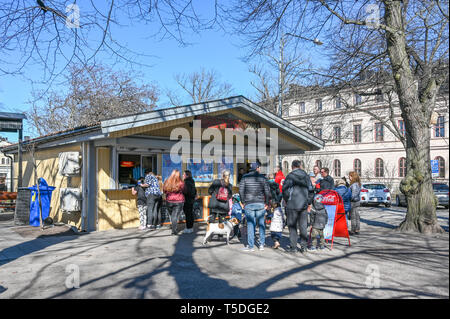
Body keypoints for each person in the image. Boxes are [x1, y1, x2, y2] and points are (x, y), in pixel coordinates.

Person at [282, 160, 314, 254]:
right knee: (303, 226)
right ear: (300, 166)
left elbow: (285, 190)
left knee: (292, 227)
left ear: (292, 167)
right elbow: (311, 190)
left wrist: (287, 199)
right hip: (303, 204)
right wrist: (308, 201)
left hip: (292, 204)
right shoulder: (306, 176)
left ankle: (293, 247)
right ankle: (303, 247)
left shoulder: (290, 176)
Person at [239, 162, 271, 252]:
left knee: (250, 224)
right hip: (260, 203)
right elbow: (267, 192)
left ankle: (251, 246)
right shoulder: (262, 178)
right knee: (261, 224)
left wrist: (243, 202)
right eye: (259, 167)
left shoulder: (245, 177)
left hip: (249, 203)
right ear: (257, 168)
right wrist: (267, 203)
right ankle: (261, 245)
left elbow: (241, 190)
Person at [163, 169, 186, 235]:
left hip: (169, 201)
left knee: (172, 215)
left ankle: (173, 226)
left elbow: (164, 190)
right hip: (179, 201)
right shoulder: (181, 183)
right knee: (175, 216)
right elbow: (185, 191)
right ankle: (174, 230)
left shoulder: (167, 181)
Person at [349, 171, 362, 235]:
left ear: (353, 177)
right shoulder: (358, 184)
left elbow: (353, 194)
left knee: (353, 216)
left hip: (353, 202)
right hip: (357, 201)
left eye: (350, 176)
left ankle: (353, 230)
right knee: (357, 216)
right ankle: (357, 229)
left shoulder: (353, 185)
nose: (349, 177)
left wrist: (350, 199)